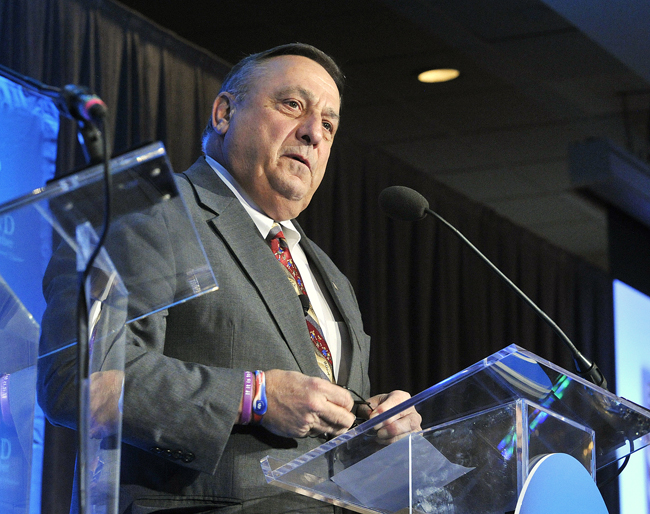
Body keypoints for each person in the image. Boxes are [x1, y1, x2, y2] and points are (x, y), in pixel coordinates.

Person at [38, 43, 421, 513]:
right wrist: (253, 395)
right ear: (223, 113)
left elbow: (321, 433)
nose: (312, 133)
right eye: (292, 105)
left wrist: (375, 426)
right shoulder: (149, 211)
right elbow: (74, 379)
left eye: (328, 124)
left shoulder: (331, 276)